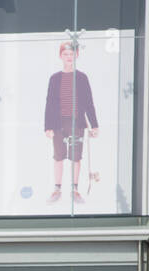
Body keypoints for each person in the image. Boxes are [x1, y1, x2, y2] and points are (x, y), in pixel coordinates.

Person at [43, 42, 99, 205]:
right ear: (61, 56)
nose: (69, 57)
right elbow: (49, 102)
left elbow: (89, 102)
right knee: (58, 155)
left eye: (71, 54)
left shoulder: (82, 77)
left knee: (76, 157)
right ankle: (57, 189)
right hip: (58, 123)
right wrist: (47, 126)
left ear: (77, 55)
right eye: (65, 54)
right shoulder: (54, 78)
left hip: (77, 123)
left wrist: (94, 124)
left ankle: (75, 189)